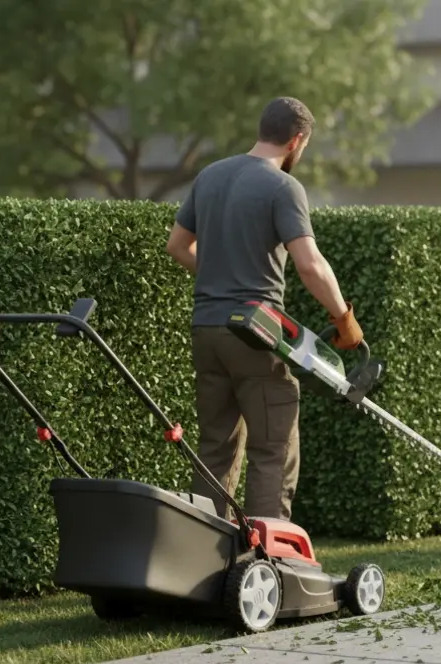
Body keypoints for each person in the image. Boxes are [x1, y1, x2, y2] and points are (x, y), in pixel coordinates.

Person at [164, 96, 362, 522]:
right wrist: (343, 318)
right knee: (272, 447)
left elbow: (177, 246)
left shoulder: (211, 176)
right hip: (254, 333)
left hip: (207, 330)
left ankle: (207, 549)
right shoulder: (283, 187)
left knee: (215, 445)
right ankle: (268, 560)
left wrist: (219, 272)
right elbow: (310, 265)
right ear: (296, 140)